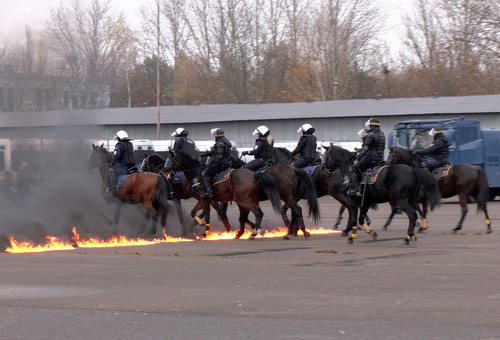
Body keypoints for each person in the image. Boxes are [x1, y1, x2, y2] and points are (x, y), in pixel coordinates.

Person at [347, 118, 385, 196]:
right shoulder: (382, 134)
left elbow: (365, 149)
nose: (369, 127)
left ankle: (355, 189)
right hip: (380, 158)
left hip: (370, 158)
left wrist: (357, 159)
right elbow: (375, 146)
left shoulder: (371, 134)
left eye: (370, 126)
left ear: (372, 126)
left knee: (353, 169)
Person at [200, 128, 232, 198]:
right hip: (226, 163)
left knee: (204, 173)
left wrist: (211, 163)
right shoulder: (225, 142)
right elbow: (215, 152)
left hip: (220, 164)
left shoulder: (220, 143)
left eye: (215, 136)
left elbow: (218, 157)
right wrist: (204, 153)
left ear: (217, 136)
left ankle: (208, 192)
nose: (214, 137)